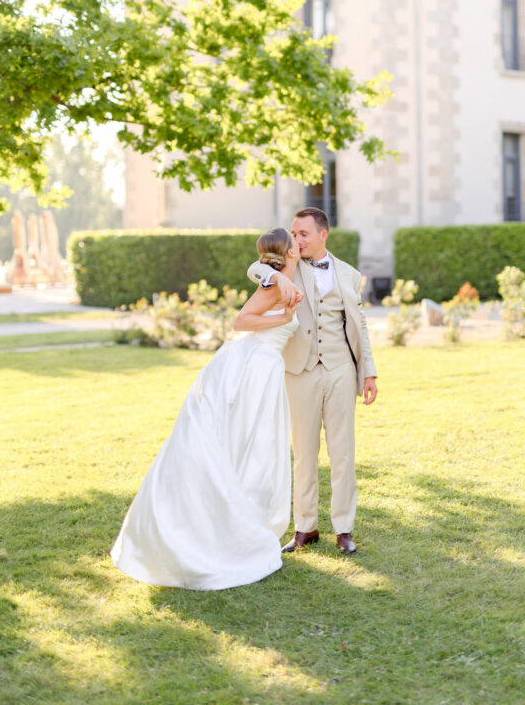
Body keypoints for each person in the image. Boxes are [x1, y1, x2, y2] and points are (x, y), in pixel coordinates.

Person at [110, 227, 303, 591]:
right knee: (240, 445)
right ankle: (219, 529)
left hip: (266, 369)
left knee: (254, 451)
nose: (300, 244)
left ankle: (239, 518)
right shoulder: (275, 284)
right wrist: (280, 312)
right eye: (296, 243)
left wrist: (276, 277)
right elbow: (241, 321)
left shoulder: (283, 278)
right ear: (289, 252)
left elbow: (256, 268)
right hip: (252, 368)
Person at [248, 207, 378, 556]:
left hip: (340, 369)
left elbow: (360, 324)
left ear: (323, 234)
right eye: (294, 233)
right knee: (304, 453)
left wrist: (369, 371)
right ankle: (305, 527)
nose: (297, 239)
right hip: (299, 371)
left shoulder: (349, 275)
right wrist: (279, 279)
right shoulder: (285, 267)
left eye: (303, 233)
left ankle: (344, 529)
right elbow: (255, 267)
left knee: (343, 453)